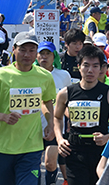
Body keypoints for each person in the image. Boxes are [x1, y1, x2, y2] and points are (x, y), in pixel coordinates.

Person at [0, 32, 57, 185]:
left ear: (36, 53)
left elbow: (47, 102)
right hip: (4, 147)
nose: (27, 54)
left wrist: (50, 124)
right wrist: (3, 117)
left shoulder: (45, 76)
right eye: (22, 50)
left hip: (32, 147)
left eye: (31, 50)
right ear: (14, 50)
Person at [54, 45, 109, 185]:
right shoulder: (66, 93)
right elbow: (57, 117)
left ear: (101, 69)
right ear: (79, 66)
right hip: (74, 149)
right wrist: (59, 139)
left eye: (95, 66)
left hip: (100, 152)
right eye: (86, 65)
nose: (90, 70)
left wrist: (108, 137)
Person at [37, 41, 72, 185]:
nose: (44, 57)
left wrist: (70, 120)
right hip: (33, 126)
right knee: (34, 165)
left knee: (50, 163)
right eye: (41, 54)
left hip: (56, 127)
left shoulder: (63, 75)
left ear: (54, 56)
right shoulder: (30, 74)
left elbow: (69, 101)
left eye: (48, 54)